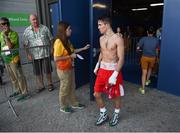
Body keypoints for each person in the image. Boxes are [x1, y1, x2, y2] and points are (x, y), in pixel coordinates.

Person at [93, 16, 125, 127]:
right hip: (102, 70)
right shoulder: (101, 38)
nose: (98, 27)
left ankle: (116, 114)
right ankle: (104, 113)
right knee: (96, 93)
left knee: (116, 96)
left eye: (100, 25)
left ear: (106, 25)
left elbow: (121, 58)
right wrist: (97, 65)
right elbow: (102, 52)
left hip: (113, 71)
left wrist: (115, 74)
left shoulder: (118, 39)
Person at [53, 21, 90, 113]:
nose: (71, 30)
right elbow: (56, 58)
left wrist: (83, 48)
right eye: (69, 28)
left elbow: (72, 51)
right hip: (63, 70)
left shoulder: (67, 40)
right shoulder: (58, 42)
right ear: (64, 30)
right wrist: (70, 57)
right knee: (65, 87)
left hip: (70, 67)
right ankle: (63, 106)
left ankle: (74, 103)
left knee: (72, 86)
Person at [23, 14, 54, 93]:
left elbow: (51, 39)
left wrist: (51, 48)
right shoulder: (27, 31)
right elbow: (25, 44)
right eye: (33, 19)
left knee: (48, 70)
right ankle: (41, 86)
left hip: (45, 53)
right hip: (34, 55)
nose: (35, 21)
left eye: (36, 19)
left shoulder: (44, 28)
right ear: (30, 21)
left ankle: (50, 84)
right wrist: (28, 54)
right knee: (37, 72)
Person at [0, 17, 29, 101]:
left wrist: (6, 36)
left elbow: (10, 46)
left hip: (14, 59)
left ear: (8, 24)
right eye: (2, 24)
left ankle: (25, 92)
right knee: (12, 77)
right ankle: (17, 90)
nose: (4, 25)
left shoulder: (14, 34)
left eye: (6, 23)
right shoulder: (0, 35)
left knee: (19, 76)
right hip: (6, 59)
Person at [137, 27, 159, 94]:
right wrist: (156, 57)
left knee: (144, 73)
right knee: (150, 68)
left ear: (147, 32)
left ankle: (143, 89)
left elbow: (138, 48)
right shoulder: (156, 40)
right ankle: (147, 81)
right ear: (154, 33)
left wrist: (139, 49)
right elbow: (157, 50)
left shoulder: (143, 39)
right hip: (152, 58)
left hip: (144, 57)